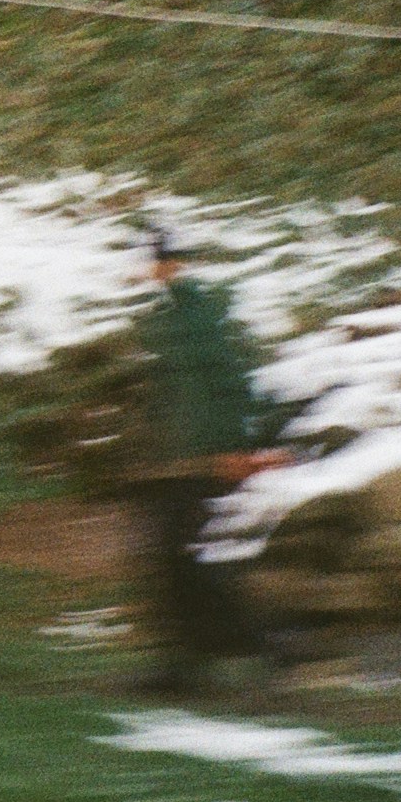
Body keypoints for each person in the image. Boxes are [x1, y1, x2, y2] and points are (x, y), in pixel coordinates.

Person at [124, 229, 267, 695]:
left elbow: (230, 382)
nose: (162, 271)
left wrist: (232, 447)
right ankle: (192, 662)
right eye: (159, 263)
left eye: (166, 262)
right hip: (174, 461)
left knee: (186, 559)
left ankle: (248, 649)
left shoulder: (198, 315)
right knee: (173, 560)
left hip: (201, 461)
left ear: (176, 264)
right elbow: (167, 394)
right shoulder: (167, 316)